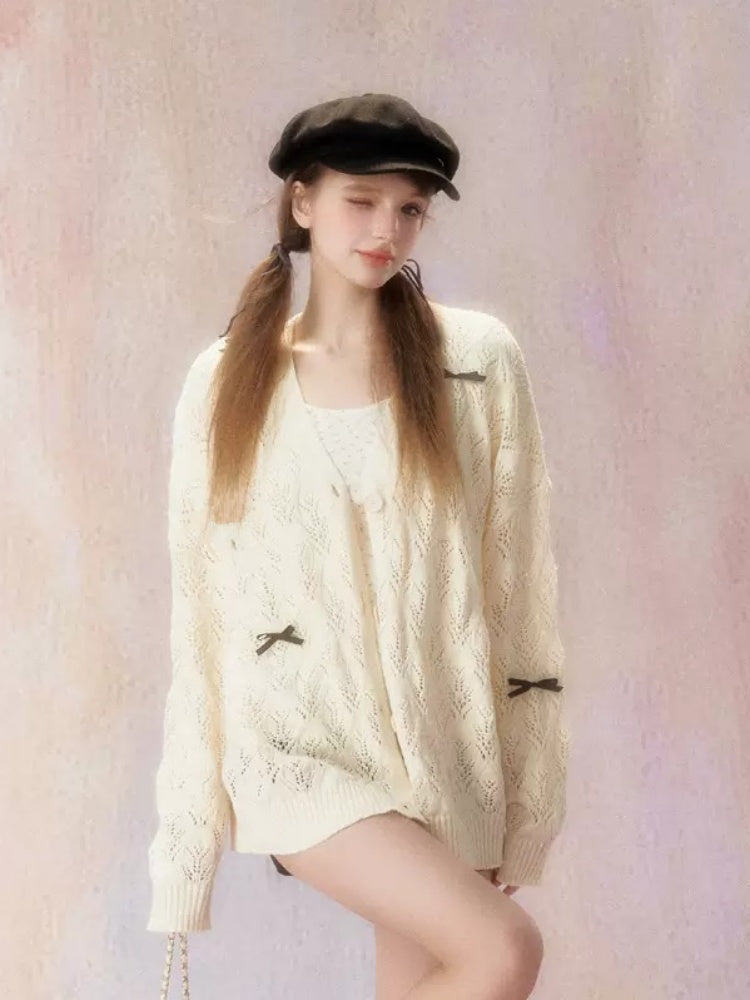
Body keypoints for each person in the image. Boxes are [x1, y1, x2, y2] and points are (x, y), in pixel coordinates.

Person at [148, 92, 569, 1000]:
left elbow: (518, 594)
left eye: (411, 208)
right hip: (296, 753)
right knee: (503, 951)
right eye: (361, 200)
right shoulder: (227, 384)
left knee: (440, 975)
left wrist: (526, 807)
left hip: (446, 751)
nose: (387, 229)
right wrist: (183, 856)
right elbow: (201, 621)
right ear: (303, 201)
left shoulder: (477, 363)